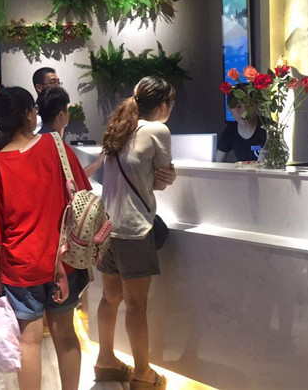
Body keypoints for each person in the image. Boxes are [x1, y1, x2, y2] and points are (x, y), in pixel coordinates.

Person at [0, 86, 90, 390]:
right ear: (29, 114)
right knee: (66, 334)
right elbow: (82, 194)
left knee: (28, 341)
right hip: (62, 260)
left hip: (20, 266)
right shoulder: (57, 147)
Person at [94, 76, 177, 390]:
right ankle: (143, 374)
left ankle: (105, 361)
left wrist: (158, 178)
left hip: (107, 227)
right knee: (136, 305)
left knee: (109, 298)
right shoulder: (157, 130)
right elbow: (162, 178)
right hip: (134, 229)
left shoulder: (120, 127)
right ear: (163, 105)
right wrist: (167, 177)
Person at [216, 94, 266, 162]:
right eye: (238, 106)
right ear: (229, 108)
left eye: (249, 105)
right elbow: (218, 162)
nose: (244, 111)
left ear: (257, 105)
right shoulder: (230, 130)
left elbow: (261, 165)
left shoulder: (268, 128)